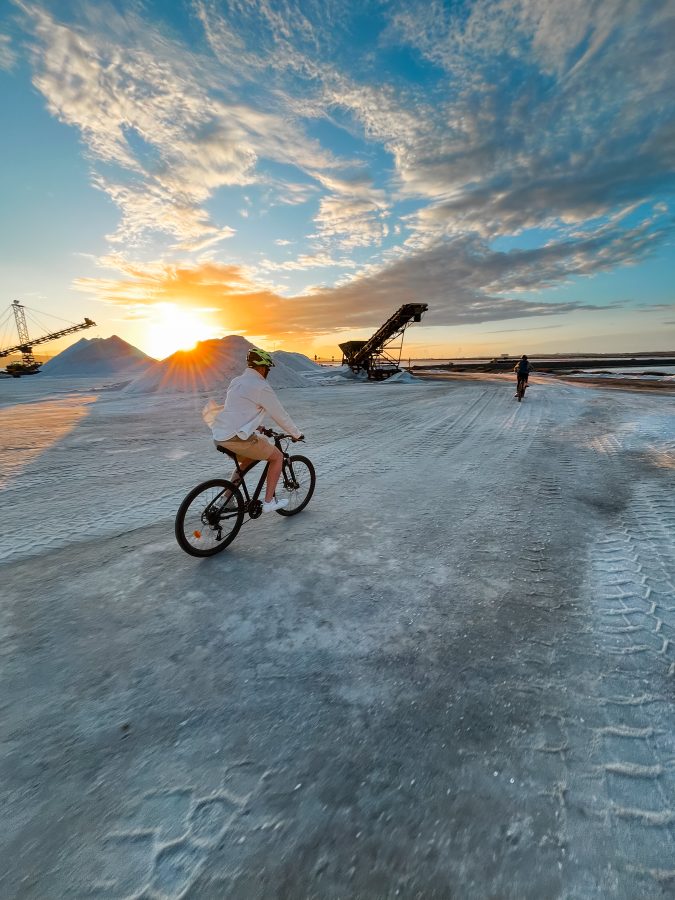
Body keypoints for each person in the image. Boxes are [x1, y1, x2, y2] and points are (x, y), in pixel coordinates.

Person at [210, 348, 304, 512]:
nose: (267, 372)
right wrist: (296, 434)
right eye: (268, 368)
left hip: (220, 435)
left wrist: (258, 426)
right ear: (262, 367)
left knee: (248, 460)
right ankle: (269, 502)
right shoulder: (260, 386)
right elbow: (280, 414)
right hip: (236, 437)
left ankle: (226, 499)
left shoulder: (236, 381)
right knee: (277, 457)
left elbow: (238, 410)